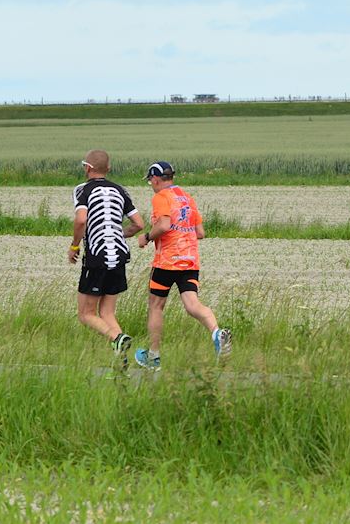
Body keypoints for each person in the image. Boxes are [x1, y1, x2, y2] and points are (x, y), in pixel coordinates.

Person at [132, 161, 230, 370]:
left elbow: (165, 225)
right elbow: (200, 233)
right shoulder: (187, 197)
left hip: (166, 262)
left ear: (156, 179)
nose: (151, 184)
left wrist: (147, 237)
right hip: (190, 260)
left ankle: (153, 356)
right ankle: (216, 333)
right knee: (193, 305)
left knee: (156, 306)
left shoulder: (161, 197)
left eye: (150, 180)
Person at [70, 150, 145, 364]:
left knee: (86, 314)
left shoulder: (82, 190)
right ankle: (121, 358)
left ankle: (117, 338)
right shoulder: (120, 190)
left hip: (97, 257)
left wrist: (74, 245)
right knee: (107, 312)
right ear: (108, 169)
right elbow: (139, 224)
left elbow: (80, 220)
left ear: (87, 168)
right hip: (119, 256)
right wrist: (117, 234)